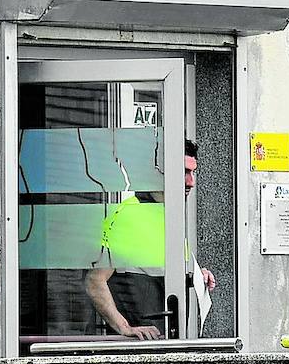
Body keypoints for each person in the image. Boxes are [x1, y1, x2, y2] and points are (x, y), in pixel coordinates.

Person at [85, 139, 216, 340]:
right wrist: (124, 328)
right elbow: (94, 281)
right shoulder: (130, 215)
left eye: (193, 172)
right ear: (158, 173)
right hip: (135, 349)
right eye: (184, 172)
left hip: (165, 341)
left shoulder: (170, 216)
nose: (191, 182)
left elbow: (162, 277)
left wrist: (196, 277)